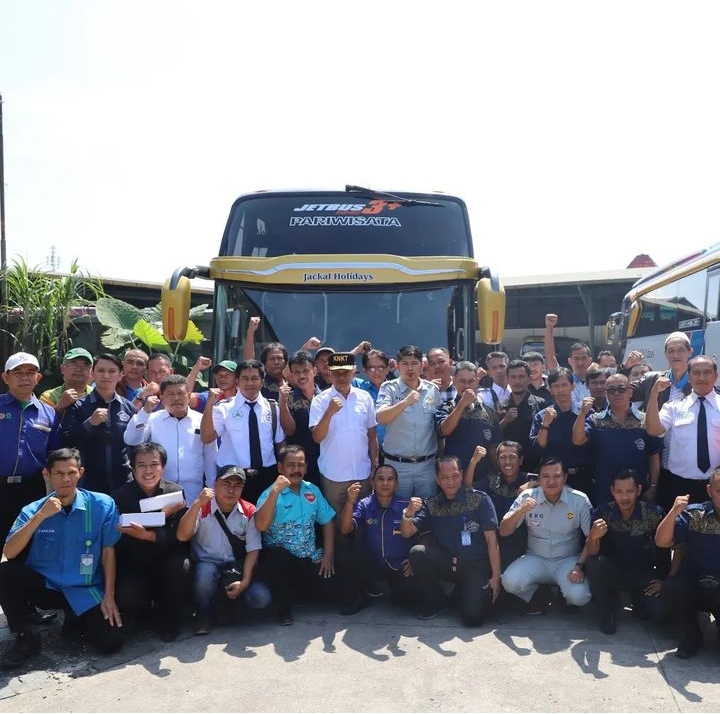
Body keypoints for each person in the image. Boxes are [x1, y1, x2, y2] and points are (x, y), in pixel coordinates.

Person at [0, 448, 123, 669]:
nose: (66, 479)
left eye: (71, 472)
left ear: (81, 472)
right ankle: (26, 637)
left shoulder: (102, 505)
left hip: (84, 587)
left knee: (110, 644)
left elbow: (108, 552)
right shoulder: (33, 509)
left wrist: (109, 596)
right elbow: (9, 552)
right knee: (5, 572)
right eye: (59, 473)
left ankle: (74, 620)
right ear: (47, 474)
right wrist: (40, 517)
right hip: (47, 587)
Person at [400, 456, 501, 625]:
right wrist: (408, 513)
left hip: (474, 566)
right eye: (445, 478)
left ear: (461, 475)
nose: (451, 482)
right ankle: (438, 601)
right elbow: (407, 532)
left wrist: (496, 577)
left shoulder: (480, 499)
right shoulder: (431, 504)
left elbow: (492, 541)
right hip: (447, 563)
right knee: (417, 553)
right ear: (437, 480)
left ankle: (464, 593)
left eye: (454, 476)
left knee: (472, 619)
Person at [177, 464, 271, 635]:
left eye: (237, 485)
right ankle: (203, 613)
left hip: (235, 569)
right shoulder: (202, 507)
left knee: (261, 598)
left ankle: (229, 609)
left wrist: (245, 582)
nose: (231, 490)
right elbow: (182, 535)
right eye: (226, 484)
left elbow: (253, 550)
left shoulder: (249, 511)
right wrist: (197, 503)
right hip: (206, 566)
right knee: (205, 573)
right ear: (215, 484)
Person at [112, 442, 190, 641]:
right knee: (128, 595)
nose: (148, 471)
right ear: (133, 468)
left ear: (162, 467)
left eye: (154, 464)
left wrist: (148, 534)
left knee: (181, 568)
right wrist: (162, 516)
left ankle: (172, 620)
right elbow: (123, 525)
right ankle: (141, 615)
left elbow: (178, 534)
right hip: (135, 562)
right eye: (142, 465)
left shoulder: (176, 493)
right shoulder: (121, 496)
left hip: (166, 557)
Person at [254, 445, 337, 626]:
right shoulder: (269, 493)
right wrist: (275, 492)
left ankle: (303, 592)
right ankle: (282, 610)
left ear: (306, 467)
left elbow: (328, 521)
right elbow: (260, 525)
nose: (296, 470)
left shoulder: (312, 490)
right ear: (280, 468)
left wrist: (328, 555)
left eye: (300, 465)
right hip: (280, 562)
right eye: (291, 465)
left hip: (309, 558)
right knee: (278, 557)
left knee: (335, 591)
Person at [500, 457, 593, 614]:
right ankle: (540, 595)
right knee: (509, 581)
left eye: (556, 476)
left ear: (565, 478)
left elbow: (592, 538)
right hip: (537, 558)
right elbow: (503, 530)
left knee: (580, 597)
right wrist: (520, 510)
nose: (551, 481)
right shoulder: (527, 496)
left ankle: (566, 598)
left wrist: (580, 566)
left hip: (567, 559)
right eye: (546, 476)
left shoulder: (579, 500)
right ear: (539, 478)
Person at [583, 469, 670, 635]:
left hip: (643, 573)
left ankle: (639, 601)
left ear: (638, 490)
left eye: (630, 491)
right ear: (612, 492)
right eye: (619, 492)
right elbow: (593, 552)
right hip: (613, 572)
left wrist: (663, 580)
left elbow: (664, 548)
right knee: (595, 564)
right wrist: (593, 537)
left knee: (660, 615)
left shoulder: (653, 513)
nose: (624, 497)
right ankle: (608, 610)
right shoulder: (603, 512)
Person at [655, 470, 720, 659]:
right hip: (694, 586)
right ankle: (692, 635)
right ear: (709, 490)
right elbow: (661, 541)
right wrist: (673, 513)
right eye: (719, 491)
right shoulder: (695, 514)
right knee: (672, 587)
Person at [626, 332, 695, 512]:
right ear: (665, 354)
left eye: (681, 350)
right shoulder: (653, 379)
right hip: (659, 462)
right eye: (671, 351)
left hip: (690, 463)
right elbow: (623, 391)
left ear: (690, 352)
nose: (676, 355)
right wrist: (625, 368)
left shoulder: (699, 382)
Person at [201, 359, 285, 504]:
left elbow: (280, 443)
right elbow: (207, 437)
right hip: (233, 477)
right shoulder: (224, 408)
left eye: (254, 378)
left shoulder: (272, 407)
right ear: (237, 381)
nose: (250, 383)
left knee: (265, 522)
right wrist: (209, 405)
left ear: (262, 381)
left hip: (267, 475)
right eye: (245, 378)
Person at [124, 374, 217, 504]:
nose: (176, 398)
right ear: (162, 398)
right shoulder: (151, 419)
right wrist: (145, 411)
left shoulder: (202, 420)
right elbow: (131, 439)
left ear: (189, 395)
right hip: (159, 492)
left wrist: (212, 490)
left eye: (181, 393)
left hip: (194, 492)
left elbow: (211, 457)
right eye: (171, 394)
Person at [573, 372, 662, 505]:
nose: (616, 393)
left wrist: (654, 486)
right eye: (611, 390)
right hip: (605, 491)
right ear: (607, 393)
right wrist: (582, 413)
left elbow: (654, 456)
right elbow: (577, 440)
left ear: (630, 392)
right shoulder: (596, 420)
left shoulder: (646, 421)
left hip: (638, 492)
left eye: (621, 389)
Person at [339, 464, 418, 614]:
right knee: (347, 554)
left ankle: (396, 592)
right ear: (373, 483)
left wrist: (414, 559)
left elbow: (421, 534)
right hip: (372, 563)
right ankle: (360, 597)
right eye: (380, 479)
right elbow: (345, 529)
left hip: (398, 565)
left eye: (390, 479)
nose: (385, 483)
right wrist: (350, 501)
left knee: (405, 600)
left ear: (397, 484)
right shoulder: (364, 504)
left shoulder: (406, 506)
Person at [0, 352, 61, 547]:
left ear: (38, 378)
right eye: (17, 372)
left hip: (32, 489)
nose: (24, 377)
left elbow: (54, 452)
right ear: (5, 377)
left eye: (30, 372)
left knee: (27, 544)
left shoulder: (49, 413)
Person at [645, 355, 720, 508]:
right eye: (696, 373)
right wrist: (654, 395)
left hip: (716, 487)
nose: (701, 377)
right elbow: (653, 429)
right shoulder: (674, 407)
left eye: (707, 372)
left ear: (716, 376)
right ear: (689, 376)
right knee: (678, 530)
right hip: (680, 486)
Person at [309, 352, 378, 516]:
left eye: (345, 372)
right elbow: (317, 437)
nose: (341, 377)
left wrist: (375, 466)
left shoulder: (365, 397)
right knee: (337, 523)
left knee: (364, 522)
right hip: (334, 476)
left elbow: (372, 434)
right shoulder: (320, 400)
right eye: (337, 373)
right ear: (330, 374)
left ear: (354, 372)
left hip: (362, 473)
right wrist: (329, 413)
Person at [61, 353, 136, 494]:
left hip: (123, 482)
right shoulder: (78, 406)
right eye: (101, 371)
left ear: (120, 375)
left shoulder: (129, 408)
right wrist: (89, 423)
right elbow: (65, 440)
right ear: (92, 373)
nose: (106, 376)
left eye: (112, 371)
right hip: (88, 484)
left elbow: (137, 444)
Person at [376, 345, 442, 499]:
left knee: (426, 514)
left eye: (414, 363)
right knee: (397, 514)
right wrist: (405, 402)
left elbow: (439, 427)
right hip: (397, 466)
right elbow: (381, 418)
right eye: (405, 363)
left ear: (422, 365)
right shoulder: (389, 388)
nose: (410, 368)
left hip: (427, 466)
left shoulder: (432, 390)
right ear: (398, 366)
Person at [466, 441, 536, 571]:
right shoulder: (492, 481)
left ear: (521, 460)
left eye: (512, 457)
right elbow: (468, 489)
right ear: (497, 461)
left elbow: (555, 484)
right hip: (494, 543)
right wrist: (474, 461)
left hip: (523, 545)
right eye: (503, 457)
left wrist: (533, 485)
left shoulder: (530, 479)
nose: (507, 462)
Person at [435, 361, 502, 491]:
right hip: (452, 480)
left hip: (482, 480)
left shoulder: (488, 412)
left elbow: (494, 447)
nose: (466, 386)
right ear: (453, 381)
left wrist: (497, 473)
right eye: (462, 381)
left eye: (471, 381)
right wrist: (461, 405)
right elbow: (444, 430)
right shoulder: (446, 407)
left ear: (477, 381)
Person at [529, 367, 594, 496]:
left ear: (573, 386)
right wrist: (546, 424)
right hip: (553, 481)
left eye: (564, 385)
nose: (560, 390)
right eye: (556, 386)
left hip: (584, 478)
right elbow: (537, 448)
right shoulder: (542, 416)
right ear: (550, 390)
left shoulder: (586, 413)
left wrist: (582, 413)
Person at [278, 351, 321, 485]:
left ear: (314, 371)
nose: (301, 376)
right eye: (296, 372)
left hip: (326, 462)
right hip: (299, 465)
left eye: (305, 371)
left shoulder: (326, 396)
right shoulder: (288, 398)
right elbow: (289, 430)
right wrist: (283, 402)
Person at [497, 359, 546, 471]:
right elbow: (494, 436)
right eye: (513, 377)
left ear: (529, 379)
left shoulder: (540, 404)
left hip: (534, 466)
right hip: (508, 467)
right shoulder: (501, 405)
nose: (517, 381)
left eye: (521, 376)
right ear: (507, 379)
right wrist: (505, 421)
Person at [544, 313, 591, 411]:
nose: (580, 362)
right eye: (576, 358)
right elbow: (550, 356)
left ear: (590, 360)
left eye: (583, 358)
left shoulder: (597, 382)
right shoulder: (562, 378)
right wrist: (549, 327)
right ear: (569, 360)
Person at [352, 348, 391, 447]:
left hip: (392, 453)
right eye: (372, 368)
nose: (377, 372)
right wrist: (357, 350)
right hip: (365, 451)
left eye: (381, 368)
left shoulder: (397, 388)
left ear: (387, 369)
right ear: (364, 370)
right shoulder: (357, 386)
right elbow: (340, 368)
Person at [39, 347, 94, 416]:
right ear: (62, 369)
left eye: (85, 364)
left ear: (91, 371)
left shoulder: (98, 394)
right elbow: (44, 423)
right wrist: (60, 406)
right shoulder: (49, 397)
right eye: (73, 364)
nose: (79, 369)